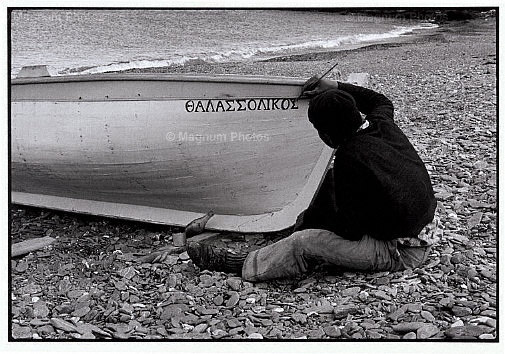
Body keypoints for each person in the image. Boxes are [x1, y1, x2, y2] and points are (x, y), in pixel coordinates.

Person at [187, 75, 441, 282]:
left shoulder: (350, 158)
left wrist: (312, 223)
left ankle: (244, 264)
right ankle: (294, 234)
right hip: (423, 230)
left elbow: (350, 231)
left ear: (328, 136)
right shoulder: (381, 124)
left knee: (303, 242)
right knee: (331, 186)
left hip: (401, 251)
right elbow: (378, 99)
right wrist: (333, 86)